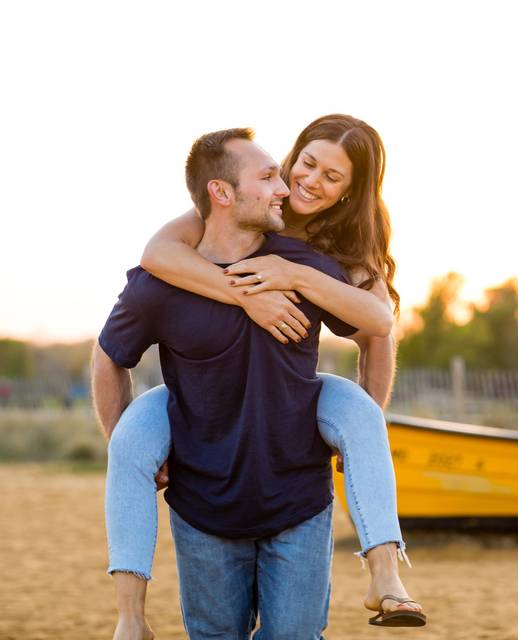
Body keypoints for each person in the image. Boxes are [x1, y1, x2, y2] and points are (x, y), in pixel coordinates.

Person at [138, 114, 423, 628]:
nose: (311, 182)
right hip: (210, 393)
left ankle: (384, 572)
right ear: (292, 157)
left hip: (297, 396)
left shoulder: (345, 247)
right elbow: (157, 253)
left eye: (332, 178)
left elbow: (378, 326)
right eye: (307, 163)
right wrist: (247, 297)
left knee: (358, 413)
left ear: (349, 193)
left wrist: (357, 429)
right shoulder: (247, 203)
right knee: (133, 439)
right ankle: (128, 611)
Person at [94, 128, 359, 638]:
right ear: (221, 192)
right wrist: (128, 446)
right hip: (202, 510)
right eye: (267, 177)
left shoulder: (306, 268)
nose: (285, 188)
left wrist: (361, 423)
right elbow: (109, 357)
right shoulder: (160, 284)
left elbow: (376, 327)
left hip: (299, 500)